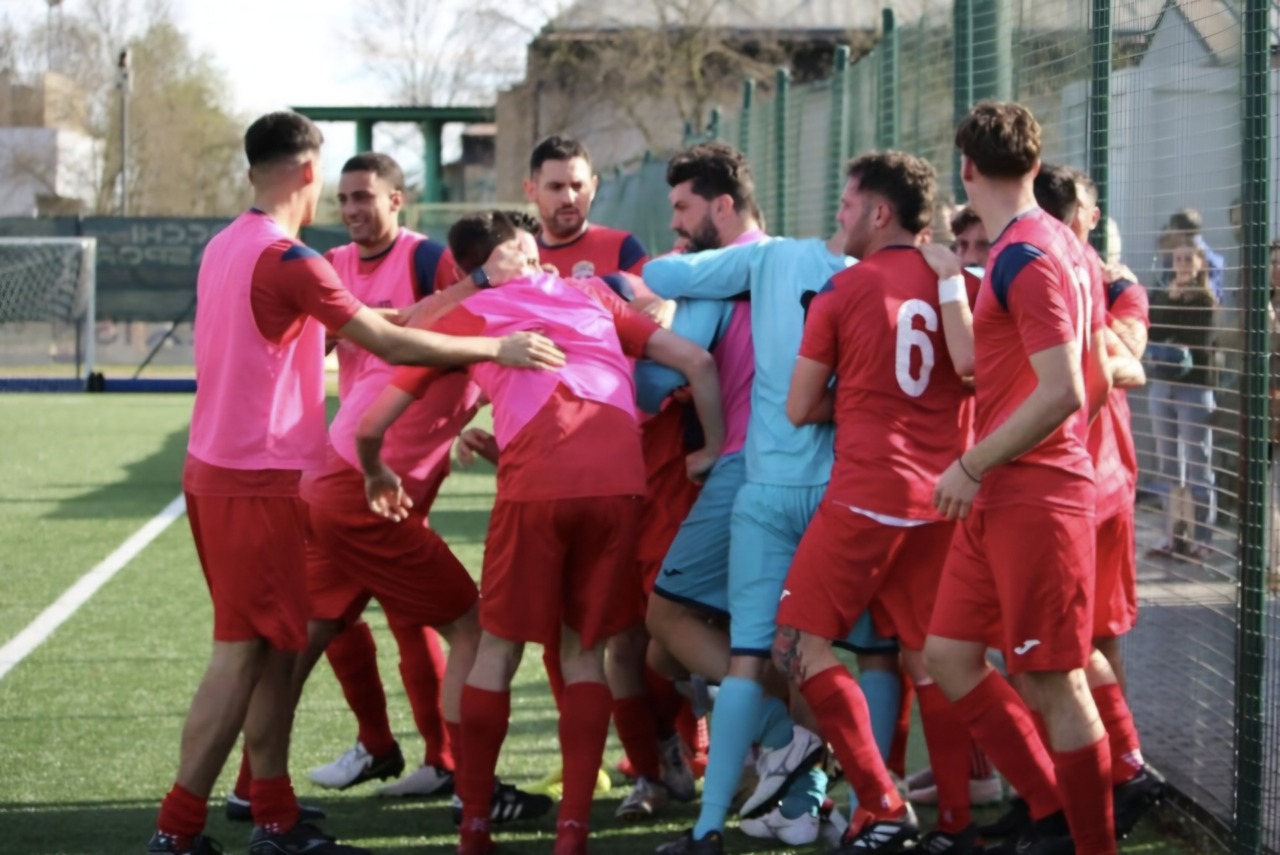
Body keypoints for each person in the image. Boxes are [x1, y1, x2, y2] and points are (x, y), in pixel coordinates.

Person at [148, 112, 564, 855]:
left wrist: (471, 292)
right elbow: (388, 337)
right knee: (243, 652)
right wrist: (496, 337)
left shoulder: (227, 247)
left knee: (281, 646)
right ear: (309, 173)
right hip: (257, 477)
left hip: (237, 473)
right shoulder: (291, 259)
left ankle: (273, 814)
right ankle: (178, 830)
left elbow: (386, 318)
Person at [355, 211, 726, 855]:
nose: (542, 267)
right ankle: (572, 834)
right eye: (529, 256)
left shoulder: (479, 311)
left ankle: (474, 828)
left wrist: (372, 464)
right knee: (585, 653)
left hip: (539, 493)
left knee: (497, 651)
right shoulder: (592, 295)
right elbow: (696, 359)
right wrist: (714, 448)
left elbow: (383, 391)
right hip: (617, 486)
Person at [644, 179, 899, 855]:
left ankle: (709, 828)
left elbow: (663, 271)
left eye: (845, 198)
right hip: (849, 491)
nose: (839, 209)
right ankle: (863, 810)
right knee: (869, 650)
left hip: (765, 487)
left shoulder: (767, 259)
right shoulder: (889, 279)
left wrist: (698, 285)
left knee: (751, 656)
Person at [924, 100, 1118, 854]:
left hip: (1029, 491)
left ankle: (1091, 840)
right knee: (947, 654)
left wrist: (977, 459)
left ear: (966, 168)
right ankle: (1050, 809)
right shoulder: (1058, 244)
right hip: (1007, 487)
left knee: (1055, 681)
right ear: (1034, 165)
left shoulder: (1028, 254)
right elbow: (1089, 372)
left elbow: (1067, 387)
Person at [772, 151, 976, 852]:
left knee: (803, 644)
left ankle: (882, 803)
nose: (840, 214)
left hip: (867, 493)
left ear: (879, 211)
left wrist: (861, 395)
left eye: (848, 202)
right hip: (944, 497)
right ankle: (959, 820)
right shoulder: (961, 281)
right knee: (934, 660)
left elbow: (800, 406)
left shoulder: (843, 290)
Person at [287, 152, 461, 799]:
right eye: (345, 199)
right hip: (354, 457)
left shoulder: (427, 260)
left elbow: (469, 330)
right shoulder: (331, 267)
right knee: (353, 612)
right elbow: (315, 346)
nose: (355, 209)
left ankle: (434, 759)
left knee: (376, 612)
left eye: (366, 196)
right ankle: (402, 750)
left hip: (398, 462)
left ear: (398, 201)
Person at [624, 142, 766, 824]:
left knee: (666, 625)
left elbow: (657, 379)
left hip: (745, 474)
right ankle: (807, 775)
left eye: (683, 206)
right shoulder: (793, 261)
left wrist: (643, 300)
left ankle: (787, 744)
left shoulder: (705, 274)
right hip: (792, 471)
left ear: (723, 204)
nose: (675, 219)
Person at [1031, 164, 1164, 837]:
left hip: (1097, 483)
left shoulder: (1113, 282)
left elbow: (1129, 358)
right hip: (1078, 484)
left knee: (1090, 635)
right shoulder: (1066, 275)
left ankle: (1119, 764)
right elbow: (1122, 361)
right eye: (1089, 204)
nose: (1096, 212)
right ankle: (1112, 765)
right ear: (1077, 214)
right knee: (1069, 639)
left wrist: (1104, 350)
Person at [1146, 240, 1218, 560]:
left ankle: (1202, 536)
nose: (1183, 263)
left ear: (1201, 263)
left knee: (1198, 462)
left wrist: (1175, 307)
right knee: (1169, 463)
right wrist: (1171, 303)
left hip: (1194, 387)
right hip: (1163, 385)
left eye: (1189, 258)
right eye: (1178, 258)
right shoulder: (1161, 293)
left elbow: (1195, 340)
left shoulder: (1206, 300)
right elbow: (1154, 332)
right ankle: (1171, 534)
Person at [525, 135, 649, 279]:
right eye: (556, 187)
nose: (568, 199)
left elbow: (653, 301)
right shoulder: (518, 260)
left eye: (577, 186)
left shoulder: (623, 249)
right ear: (531, 191)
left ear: (593, 187)